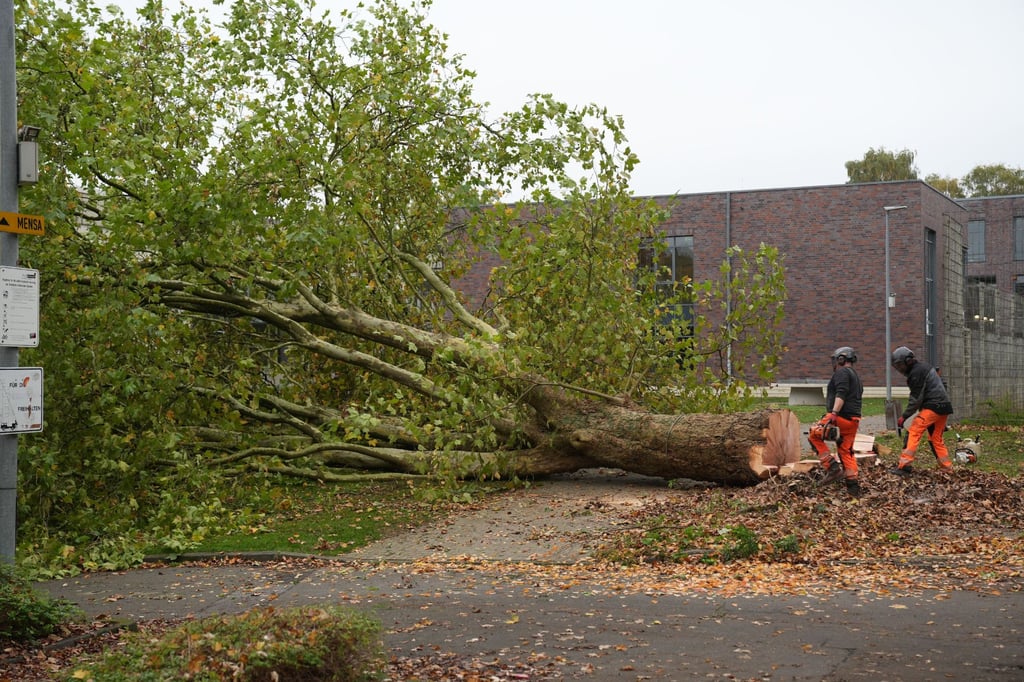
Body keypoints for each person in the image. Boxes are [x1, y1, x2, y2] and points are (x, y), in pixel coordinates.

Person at [807, 346, 864, 497]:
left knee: (813, 434)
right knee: (846, 450)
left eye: (836, 359)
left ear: (841, 359)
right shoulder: (856, 376)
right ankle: (853, 488)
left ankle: (832, 468)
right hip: (853, 420)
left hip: (840, 416)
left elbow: (841, 393)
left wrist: (834, 413)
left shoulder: (843, 372)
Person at [890, 346, 954, 475]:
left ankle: (904, 466)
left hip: (933, 406)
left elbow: (916, 399)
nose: (899, 369)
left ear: (908, 361)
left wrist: (904, 416)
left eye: (900, 365)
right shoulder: (923, 368)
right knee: (936, 438)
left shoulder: (916, 372)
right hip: (943, 406)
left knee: (914, 430)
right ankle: (947, 467)